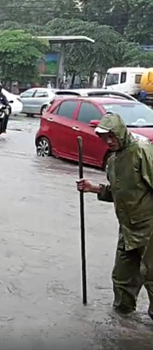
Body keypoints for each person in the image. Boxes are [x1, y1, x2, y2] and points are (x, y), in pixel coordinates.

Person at [76, 113, 153, 318]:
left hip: (150, 228)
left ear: (121, 132)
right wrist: (93, 188)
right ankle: (123, 318)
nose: (108, 141)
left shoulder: (142, 152)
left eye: (112, 136)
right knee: (122, 277)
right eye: (104, 137)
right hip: (127, 229)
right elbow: (119, 192)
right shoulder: (113, 160)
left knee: (152, 276)